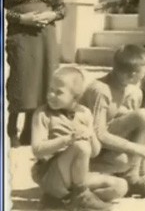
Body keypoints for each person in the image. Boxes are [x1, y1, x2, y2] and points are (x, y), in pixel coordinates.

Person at [81, 45, 145, 198]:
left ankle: (137, 177)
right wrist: (138, 149)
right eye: (143, 71)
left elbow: (129, 126)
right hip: (90, 149)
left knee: (133, 159)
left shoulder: (132, 90)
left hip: (110, 147)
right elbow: (99, 134)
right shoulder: (100, 90)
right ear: (132, 74)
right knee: (143, 117)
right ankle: (81, 177)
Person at [31, 66, 128, 210]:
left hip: (75, 176)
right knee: (80, 146)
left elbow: (94, 152)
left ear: (75, 97)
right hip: (51, 174)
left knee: (120, 187)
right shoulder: (43, 114)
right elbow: (37, 150)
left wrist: (90, 134)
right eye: (50, 89)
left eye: (58, 92)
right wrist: (67, 140)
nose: (51, 95)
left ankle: (64, 200)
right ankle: (77, 196)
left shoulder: (85, 114)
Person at [5, 0, 66, 147]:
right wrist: (22, 18)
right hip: (20, 34)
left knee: (44, 81)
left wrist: (51, 15)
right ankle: (11, 129)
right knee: (21, 80)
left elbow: (61, 7)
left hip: (45, 36)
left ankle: (31, 132)